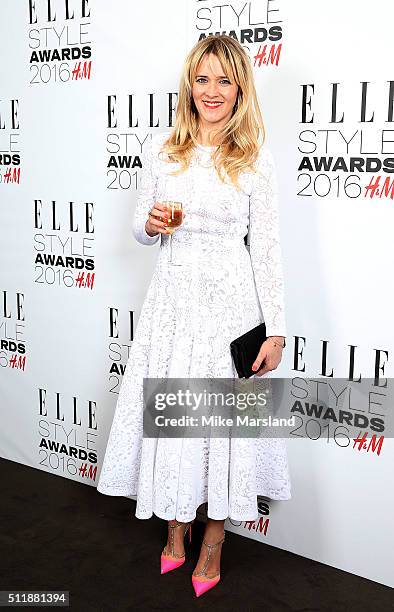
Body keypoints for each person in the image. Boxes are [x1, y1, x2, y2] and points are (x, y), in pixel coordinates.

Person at [97, 34, 291, 597]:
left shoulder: (254, 156)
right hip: (172, 305)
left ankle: (213, 541)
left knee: (223, 426)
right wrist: (150, 226)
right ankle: (175, 529)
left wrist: (275, 329)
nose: (211, 91)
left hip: (232, 308)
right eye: (202, 79)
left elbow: (269, 249)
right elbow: (139, 225)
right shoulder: (166, 150)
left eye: (223, 80)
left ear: (240, 89)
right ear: (190, 84)